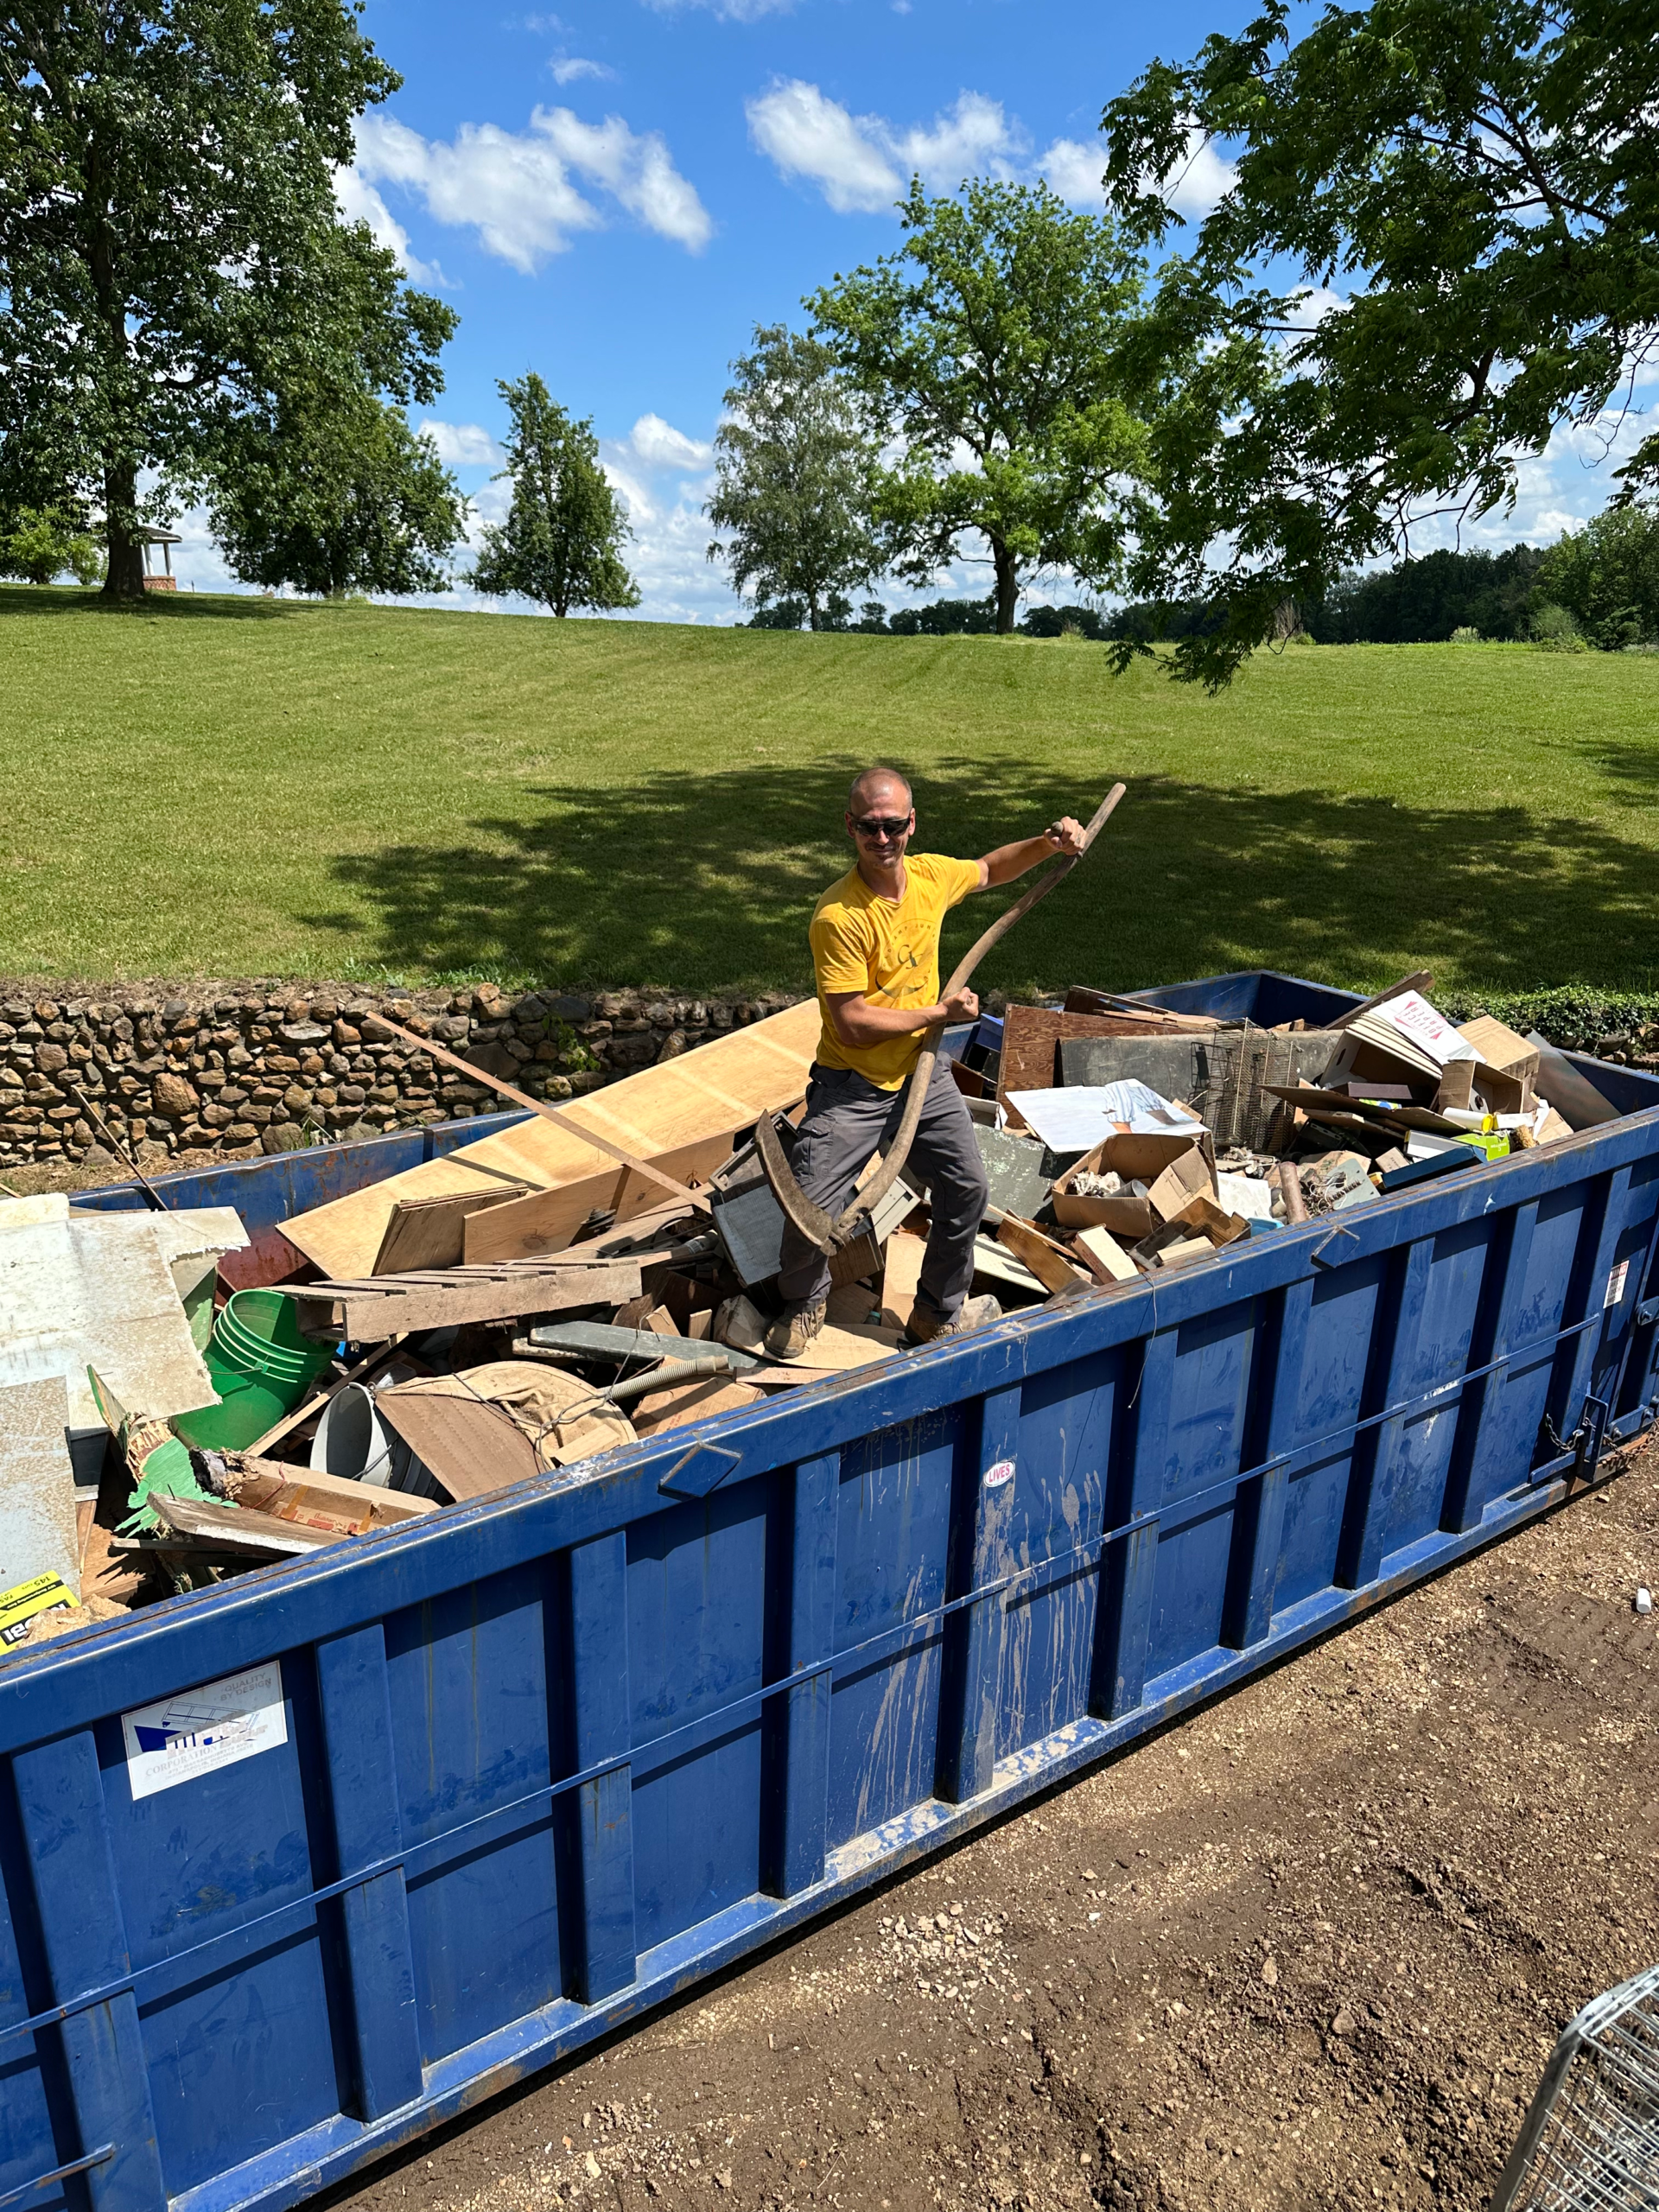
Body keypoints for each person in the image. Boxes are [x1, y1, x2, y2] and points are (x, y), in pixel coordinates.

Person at [767, 767, 1088, 1362]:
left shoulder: (931, 877)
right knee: (810, 1210)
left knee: (967, 1190)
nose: (882, 838)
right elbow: (851, 1024)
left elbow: (991, 870)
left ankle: (933, 1315)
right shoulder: (839, 915)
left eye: (893, 825)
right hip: (853, 1086)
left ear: (911, 824)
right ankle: (805, 1301)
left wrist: (1048, 844)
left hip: (922, 1074)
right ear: (850, 827)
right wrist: (937, 1012)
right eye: (869, 827)